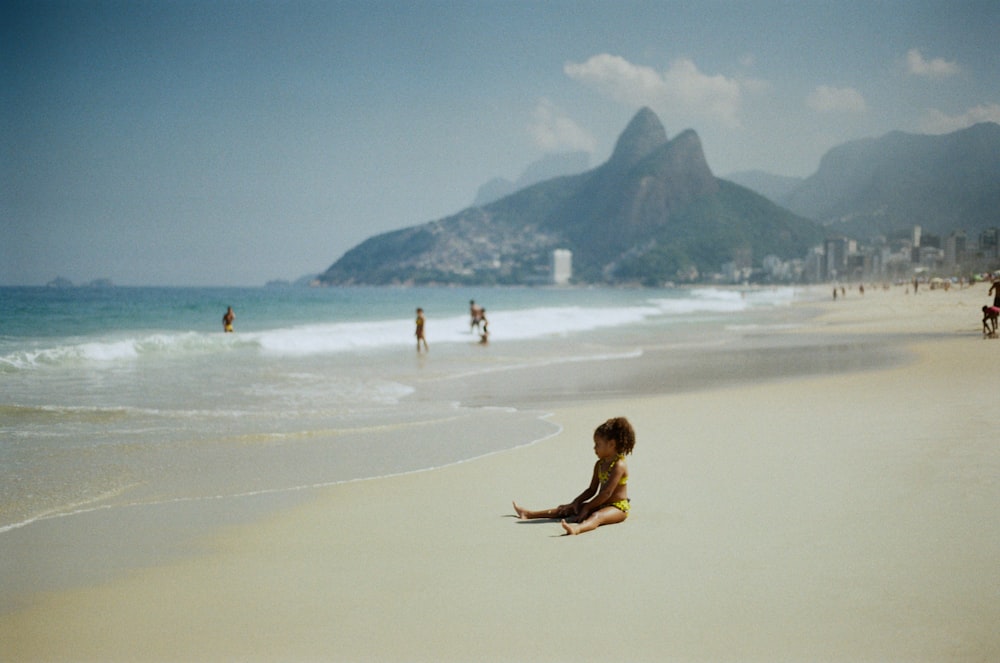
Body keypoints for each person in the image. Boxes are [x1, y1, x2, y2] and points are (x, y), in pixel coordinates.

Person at [513, 416, 636, 536]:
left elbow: (606, 493)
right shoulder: (599, 464)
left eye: (597, 444)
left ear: (611, 444)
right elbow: (592, 490)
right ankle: (529, 514)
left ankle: (576, 530)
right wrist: (576, 502)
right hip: (599, 503)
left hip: (617, 507)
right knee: (567, 509)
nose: (594, 448)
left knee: (596, 516)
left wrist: (587, 507)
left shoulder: (619, 465)